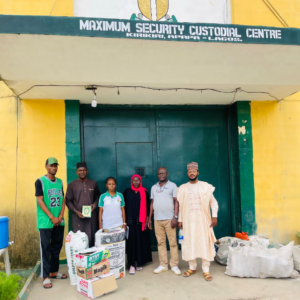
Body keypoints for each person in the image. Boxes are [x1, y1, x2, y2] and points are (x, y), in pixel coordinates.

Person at [177, 162, 219, 282]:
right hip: (188, 221)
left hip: (203, 220)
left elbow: (213, 203)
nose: (192, 173)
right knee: (189, 242)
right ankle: (192, 267)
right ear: (187, 174)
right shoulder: (183, 188)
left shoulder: (205, 186)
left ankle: (206, 270)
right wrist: (180, 219)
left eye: (194, 172)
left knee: (204, 242)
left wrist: (214, 216)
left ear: (197, 173)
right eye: (190, 172)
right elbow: (180, 206)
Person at [35, 157, 67, 289]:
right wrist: (52, 217)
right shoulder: (40, 181)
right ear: (46, 166)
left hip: (59, 220)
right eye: (51, 165)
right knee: (46, 249)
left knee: (56, 247)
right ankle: (46, 276)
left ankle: (53, 271)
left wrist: (60, 216)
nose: (54, 168)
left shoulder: (60, 182)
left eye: (55, 165)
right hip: (46, 222)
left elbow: (63, 199)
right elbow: (40, 201)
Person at [148, 167, 181, 275]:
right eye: (159, 173)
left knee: (172, 243)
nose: (161, 175)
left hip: (169, 219)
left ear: (167, 174)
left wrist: (175, 217)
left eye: (163, 173)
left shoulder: (172, 185)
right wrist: (149, 218)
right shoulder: (153, 187)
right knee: (160, 243)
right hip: (157, 219)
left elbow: (176, 202)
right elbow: (152, 203)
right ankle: (163, 264)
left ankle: (174, 265)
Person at [65, 162, 100, 247]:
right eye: (80, 170)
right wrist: (76, 211)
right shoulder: (72, 185)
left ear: (87, 171)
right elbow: (68, 201)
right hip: (78, 218)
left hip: (91, 218)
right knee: (79, 240)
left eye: (84, 170)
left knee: (92, 238)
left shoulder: (93, 183)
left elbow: (98, 196)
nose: (82, 172)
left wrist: (95, 205)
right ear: (77, 172)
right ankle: (80, 259)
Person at [123, 174, 152, 275]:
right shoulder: (127, 192)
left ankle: (139, 262)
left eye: (138, 180)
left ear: (140, 181)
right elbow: (123, 207)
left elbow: (148, 208)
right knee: (131, 243)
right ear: (131, 181)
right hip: (130, 222)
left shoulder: (144, 192)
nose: (136, 182)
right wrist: (124, 222)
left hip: (141, 222)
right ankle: (131, 264)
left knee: (140, 242)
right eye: (134, 180)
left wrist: (147, 220)